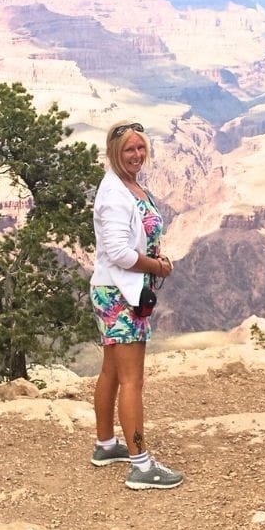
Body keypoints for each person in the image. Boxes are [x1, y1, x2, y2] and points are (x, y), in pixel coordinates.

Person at [88, 120, 183, 490]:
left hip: (123, 292)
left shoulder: (132, 186)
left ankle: (106, 445)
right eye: (129, 150)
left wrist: (154, 261)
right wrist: (157, 266)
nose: (137, 155)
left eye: (141, 148)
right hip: (119, 296)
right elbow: (119, 253)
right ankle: (141, 466)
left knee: (112, 372)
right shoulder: (113, 193)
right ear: (114, 153)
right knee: (132, 381)